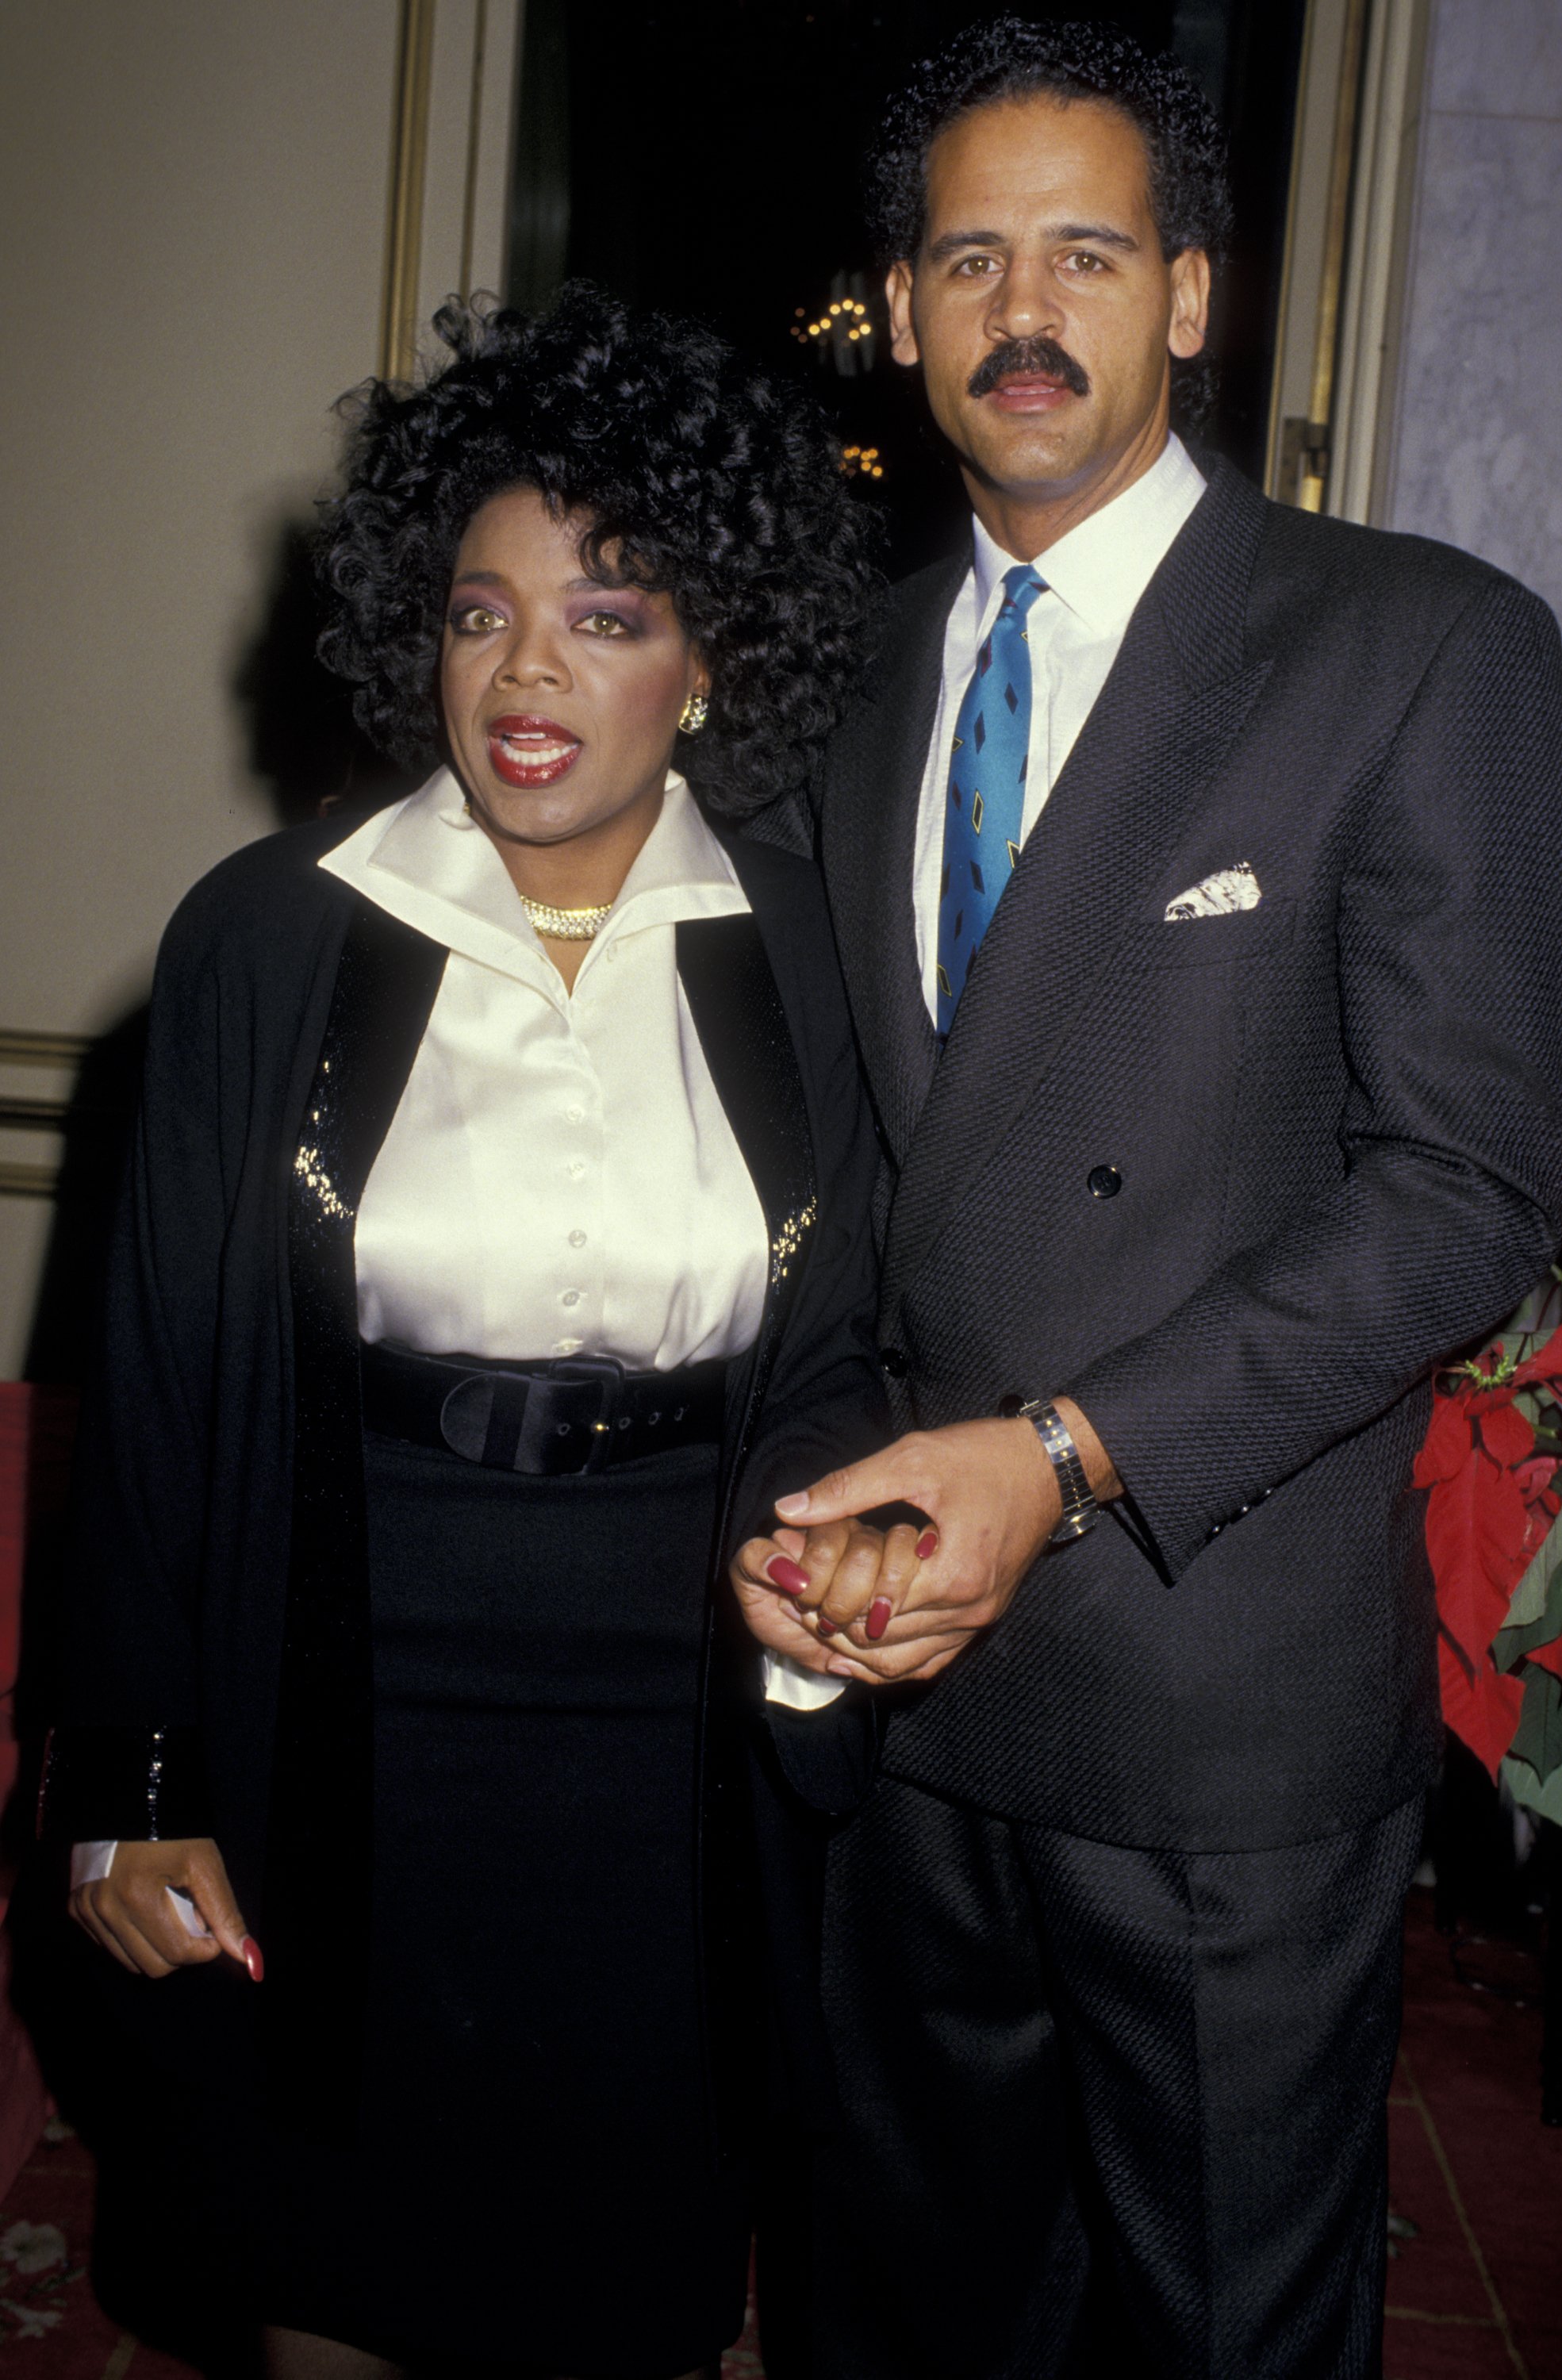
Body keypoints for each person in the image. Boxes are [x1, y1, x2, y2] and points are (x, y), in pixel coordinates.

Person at [732, 17, 1562, 2377]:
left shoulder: (1418, 648)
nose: (1022, 312)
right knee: (911, 2309)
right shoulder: (849, 677)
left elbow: (1468, 1186)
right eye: (967, 259)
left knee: (1220, 2331)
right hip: (900, 1673)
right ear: (894, 313)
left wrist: (1065, 1456)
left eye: (1085, 254)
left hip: (1210, 1697)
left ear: (1189, 298)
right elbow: (833, 1170)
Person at [44, 284, 906, 2380]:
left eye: (608, 616)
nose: (526, 676)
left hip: (677, 1716)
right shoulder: (269, 934)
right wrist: (131, 1780)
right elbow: (153, 1396)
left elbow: (850, 1336)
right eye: (477, 611)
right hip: (332, 1674)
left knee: (626, 2278)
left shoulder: (807, 947)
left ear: (711, 657)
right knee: (334, 2260)